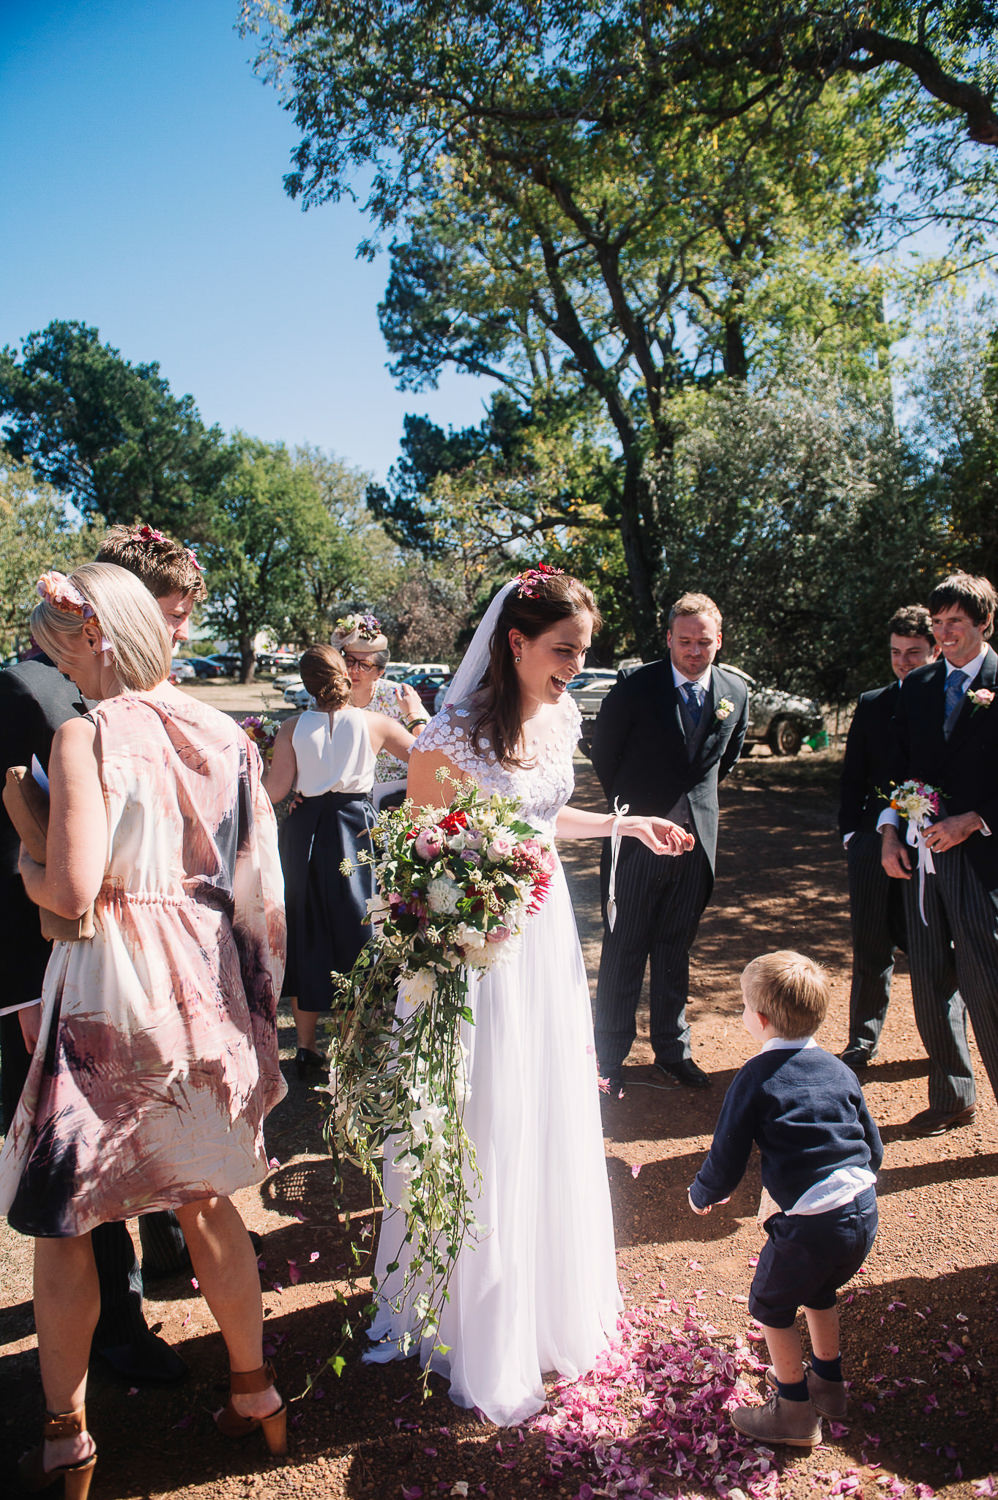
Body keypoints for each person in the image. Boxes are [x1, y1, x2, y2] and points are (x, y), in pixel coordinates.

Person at [364, 566, 693, 1425]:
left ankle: (547, 1300)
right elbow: (421, 866)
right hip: (477, 956)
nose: (575, 668)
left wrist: (626, 823)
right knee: (487, 1113)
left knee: (544, 1107)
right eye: (562, 651)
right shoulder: (445, 740)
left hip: (545, 941)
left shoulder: (565, 713)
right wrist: (468, 931)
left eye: (583, 652)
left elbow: (543, 822)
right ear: (514, 643)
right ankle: (475, 1318)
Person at [0, 564, 289, 1493]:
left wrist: (24, 853)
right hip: (204, 986)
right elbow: (260, 891)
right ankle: (256, 1390)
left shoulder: (86, 734)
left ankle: (65, 1436)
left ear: (94, 637)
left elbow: (74, 896)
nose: (56, 664)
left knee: (65, 1220)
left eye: (57, 643)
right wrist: (255, 1002)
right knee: (204, 1194)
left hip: (108, 996)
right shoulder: (226, 732)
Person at [689, 951, 882, 1448]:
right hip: (860, 1208)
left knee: (771, 1304)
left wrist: (703, 1192)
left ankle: (794, 1411)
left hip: (812, 1223)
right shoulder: (839, 1069)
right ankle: (829, 1386)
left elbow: (727, 1152)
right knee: (818, 1290)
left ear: (761, 1019)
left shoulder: (756, 1076)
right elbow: (871, 1144)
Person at [590, 592, 749, 1090]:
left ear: (718, 640)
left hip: (696, 847)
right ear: (669, 639)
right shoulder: (636, 686)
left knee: (675, 949)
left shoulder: (735, 692)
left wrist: (691, 815)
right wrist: (637, 810)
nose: (694, 651)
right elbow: (604, 753)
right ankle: (607, 1059)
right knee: (624, 949)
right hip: (636, 842)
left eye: (704, 642)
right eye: (685, 641)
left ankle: (671, 1050)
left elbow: (725, 761)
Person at [880, 572, 998, 1135]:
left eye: (956, 622)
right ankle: (953, 1096)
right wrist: (889, 830)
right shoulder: (918, 686)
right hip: (921, 856)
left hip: (982, 861)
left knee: (987, 982)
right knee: (929, 978)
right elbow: (899, 768)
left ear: (984, 623)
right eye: (938, 623)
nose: (945, 633)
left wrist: (974, 820)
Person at [265, 644, 414, 1075]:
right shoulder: (376, 724)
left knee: (307, 926)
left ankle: (307, 1047)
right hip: (355, 829)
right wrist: (418, 714)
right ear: (346, 678)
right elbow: (427, 757)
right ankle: (351, 1042)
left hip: (305, 831)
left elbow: (274, 791)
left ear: (306, 684)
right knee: (357, 926)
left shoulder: (292, 726)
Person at [837, 606, 938, 1068]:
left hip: (933, 844)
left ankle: (942, 1048)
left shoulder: (947, 701)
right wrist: (853, 837)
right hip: (871, 844)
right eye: (896, 652)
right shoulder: (874, 701)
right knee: (871, 944)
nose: (903, 662)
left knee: (933, 949)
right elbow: (852, 774)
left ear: (935, 649)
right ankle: (862, 1040)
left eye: (913, 653)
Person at [331, 613, 428, 808]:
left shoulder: (399, 696)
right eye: (350, 661)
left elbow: (432, 750)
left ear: (380, 672)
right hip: (346, 802)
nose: (354, 670)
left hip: (398, 799)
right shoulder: (329, 696)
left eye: (365, 665)